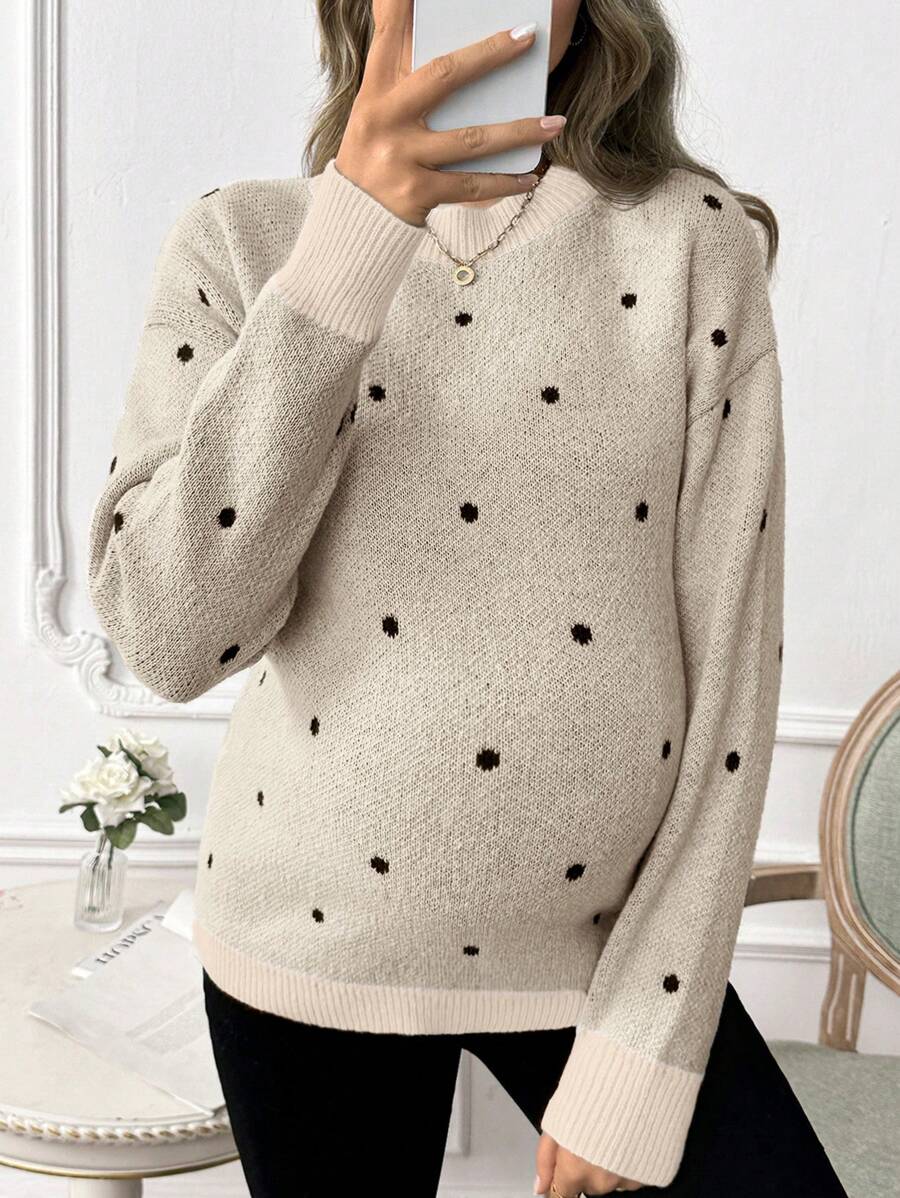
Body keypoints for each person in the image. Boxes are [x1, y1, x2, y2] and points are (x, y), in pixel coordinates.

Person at [85, 1, 849, 1195]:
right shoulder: (243, 240)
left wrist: (641, 1054)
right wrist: (349, 247)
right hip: (306, 946)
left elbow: (732, 688)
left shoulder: (690, 245)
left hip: (601, 954)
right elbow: (170, 636)